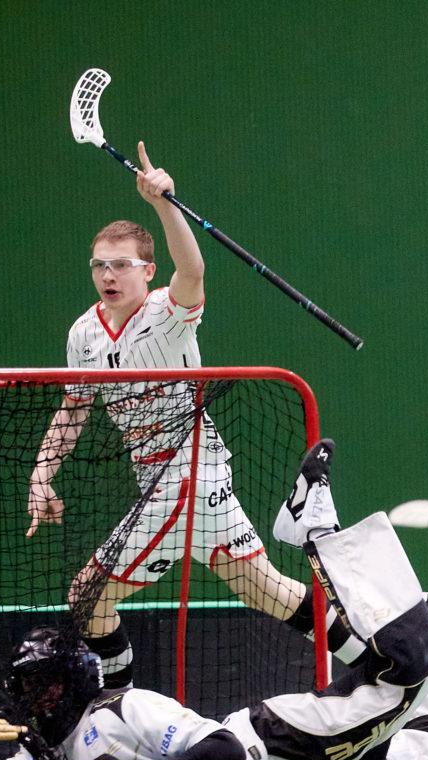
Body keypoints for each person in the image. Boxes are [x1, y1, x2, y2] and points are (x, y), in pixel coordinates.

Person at [0, 443, 428, 760]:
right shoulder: (48, 757)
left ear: (76, 681)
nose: (37, 700)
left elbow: (225, 751)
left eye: (46, 684)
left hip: (274, 745)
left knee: (406, 666)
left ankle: (318, 528)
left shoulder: (123, 709)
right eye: (29, 688)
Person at [25, 141, 332, 689]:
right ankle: (386, 646)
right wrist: (42, 473)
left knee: (87, 596)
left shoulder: (168, 313)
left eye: (120, 265)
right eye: (99, 265)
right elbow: (74, 408)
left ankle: (114, 703)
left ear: (146, 270)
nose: (107, 275)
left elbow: (193, 267)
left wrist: (164, 202)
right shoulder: (84, 332)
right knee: (264, 589)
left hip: (188, 470)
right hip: (155, 478)